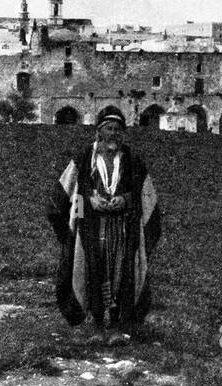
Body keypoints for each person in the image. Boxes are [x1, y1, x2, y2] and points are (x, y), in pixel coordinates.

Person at [47, 108, 162, 345]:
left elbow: (143, 194)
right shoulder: (84, 158)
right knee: (94, 271)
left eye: (118, 130)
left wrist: (125, 199)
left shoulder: (131, 159)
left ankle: (117, 326)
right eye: (109, 129)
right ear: (99, 131)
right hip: (92, 227)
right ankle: (98, 326)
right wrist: (89, 200)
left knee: (120, 272)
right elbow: (71, 192)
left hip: (122, 228)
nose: (113, 134)